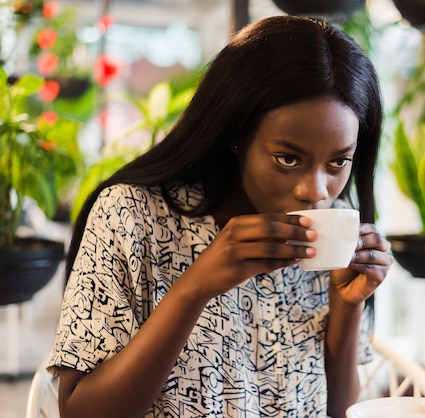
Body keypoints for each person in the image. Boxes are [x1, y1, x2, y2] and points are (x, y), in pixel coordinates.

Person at [49, 15, 392, 418]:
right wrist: (193, 289)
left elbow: (337, 412)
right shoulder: (132, 215)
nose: (316, 192)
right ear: (236, 133)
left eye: (338, 162)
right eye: (288, 158)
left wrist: (347, 306)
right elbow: (80, 412)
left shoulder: (329, 236)